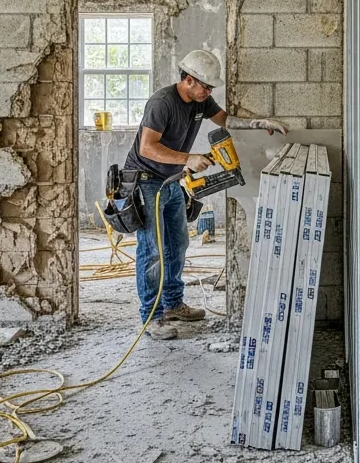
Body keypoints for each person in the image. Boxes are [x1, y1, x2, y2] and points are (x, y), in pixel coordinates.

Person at [123, 49, 287, 340]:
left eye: (211, 88)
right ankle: (151, 317)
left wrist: (260, 124)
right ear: (188, 80)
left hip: (171, 180)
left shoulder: (201, 101)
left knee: (179, 243)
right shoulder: (162, 103)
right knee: (153, 251)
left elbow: (226, 120)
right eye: (205, 86)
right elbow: (147, 148)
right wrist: (188, 159)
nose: (209, 92)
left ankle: (172, 304)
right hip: (147, 181)